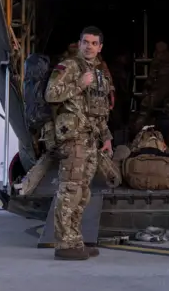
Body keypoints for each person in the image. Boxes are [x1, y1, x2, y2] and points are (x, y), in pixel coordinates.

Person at [44, 25, 113, 261]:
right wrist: (79, 85)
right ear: (79, 43)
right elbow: (51, 93)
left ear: (100, 47)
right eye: (86, 42)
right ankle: (63, 243)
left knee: (83, 193)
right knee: (70, 189)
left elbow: (99, 109)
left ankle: (75, 239)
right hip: (74, 138)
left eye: (94, 43)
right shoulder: (70, 67)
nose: (89, 47)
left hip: (91, 138)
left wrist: (106, 137)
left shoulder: (99, 72)